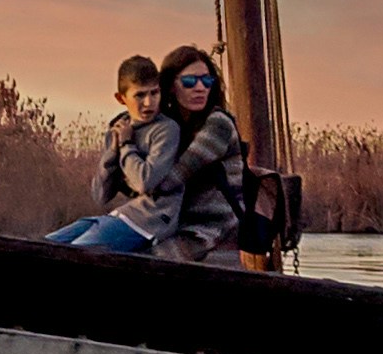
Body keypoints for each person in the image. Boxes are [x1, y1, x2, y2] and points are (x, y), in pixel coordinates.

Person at [49, 45, 246, 262]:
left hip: (208, 227)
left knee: (143, 261)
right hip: (173, 221)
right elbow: (108, 193)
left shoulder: (218, 125)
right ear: (170, 86)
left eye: (207, 81)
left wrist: (127, 148)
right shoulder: (170, 124)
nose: (200, 88)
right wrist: (118, 141)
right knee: (50, 244)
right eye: (190, 82)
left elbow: (167, 181)